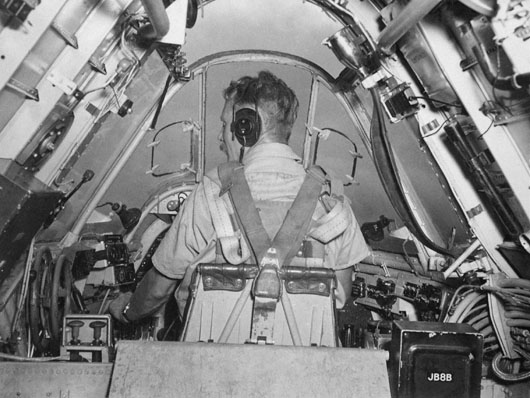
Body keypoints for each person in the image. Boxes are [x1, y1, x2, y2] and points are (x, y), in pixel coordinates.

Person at [110, 70, 370, 326]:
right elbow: (339, 297)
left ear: (245, 126)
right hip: (300, 364)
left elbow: (158, 290)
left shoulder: (211, 193)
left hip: (209, 361)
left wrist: (127, 310)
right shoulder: (332, 202)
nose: (221, 136)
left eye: (225, 125)